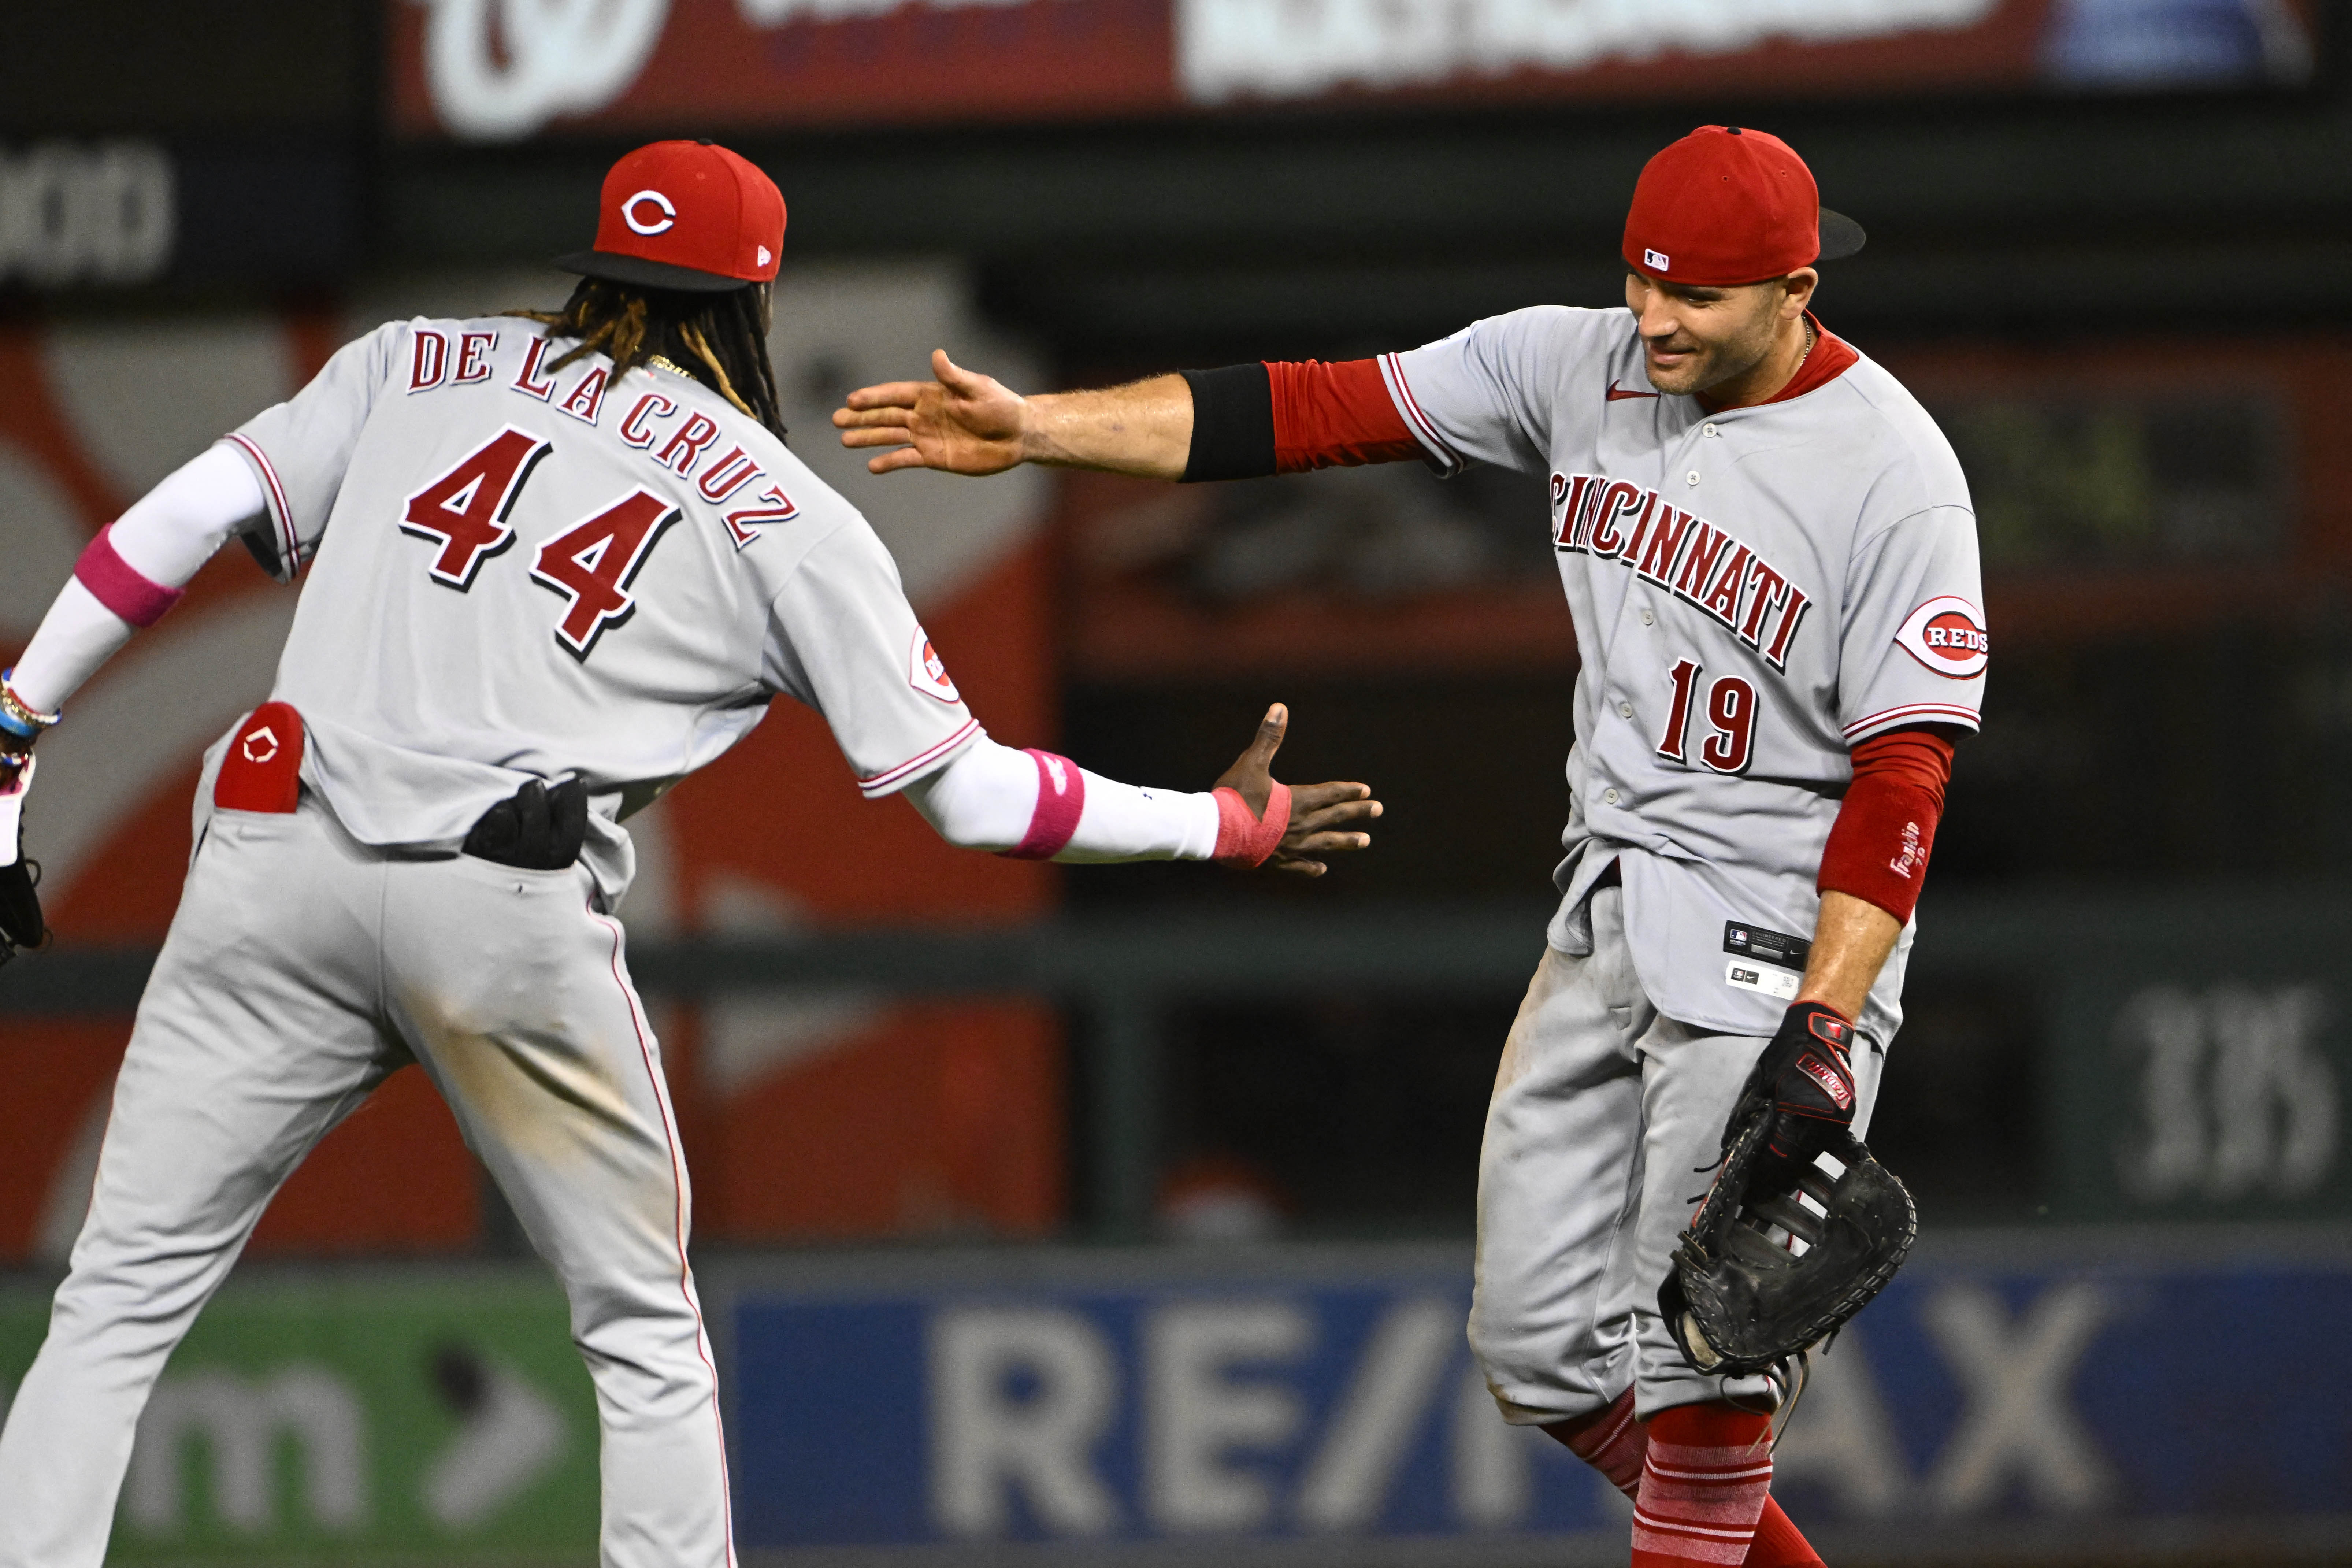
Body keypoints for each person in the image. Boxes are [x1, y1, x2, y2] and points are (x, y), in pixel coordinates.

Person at [0, 138, 1380, 1568]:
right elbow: (968, 801)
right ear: (756, 302)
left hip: (273, 858)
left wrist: (15, 715)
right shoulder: (781, 510)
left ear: (600, 264)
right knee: (642, 1336)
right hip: (497, 900)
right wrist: (1211, 822)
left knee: (112, 1303)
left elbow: (177, 518)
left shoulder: (415, 360)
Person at [833, 124, 1984, 1567]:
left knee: (1701, 1360)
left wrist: (1825, 1022)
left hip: (1772, 939)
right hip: (1610, 908)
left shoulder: (1892, 474)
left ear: (1796, 289)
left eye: (1695, 296)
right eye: (1641, 279)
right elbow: (1312, 409)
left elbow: (1904, 772)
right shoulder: (1578, 365)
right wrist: (1042, 428)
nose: (1654, 318)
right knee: (1538, 1349)